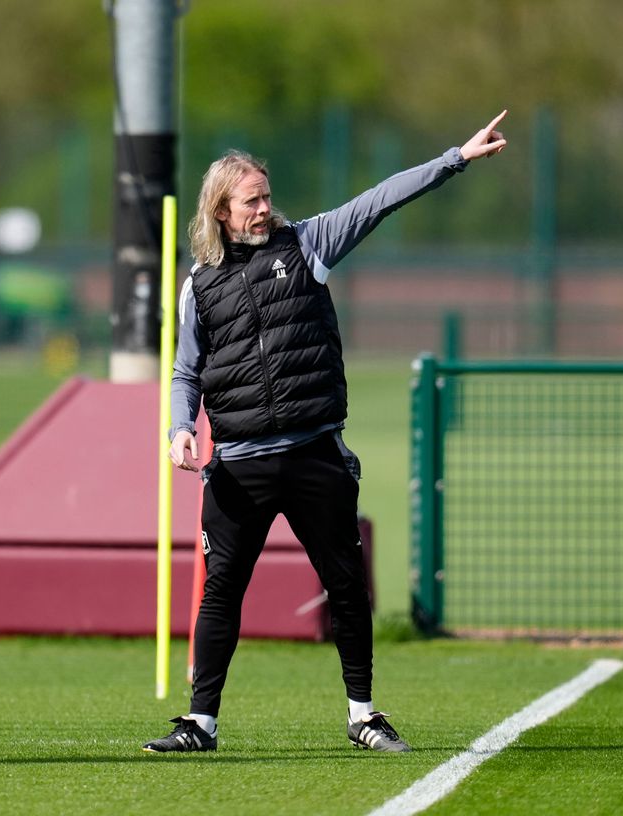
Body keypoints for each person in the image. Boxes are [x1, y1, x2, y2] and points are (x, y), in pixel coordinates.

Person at [142, 112, 508, 754]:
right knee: (221, 593)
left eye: (265, 195)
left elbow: (379, 199)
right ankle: (201, 725)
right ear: (221, 212)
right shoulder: (197, 286)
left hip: (316, 456)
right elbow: (185, 370)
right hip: (239, 467)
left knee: (345, 584)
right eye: (250, 201)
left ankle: (363, 716)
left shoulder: (307, 243)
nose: (264, 208)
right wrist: (178, 428)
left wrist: (455, 158)